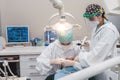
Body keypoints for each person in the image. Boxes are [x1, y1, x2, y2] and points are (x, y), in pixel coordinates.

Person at [54, 4, 120, 80]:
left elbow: (97, 56)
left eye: (91, 18)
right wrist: (89, 44)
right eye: (88, 18)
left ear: (100, 16)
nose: (90, 21)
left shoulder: (109, 31)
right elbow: (99, 43)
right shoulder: (98, 26)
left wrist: (78, 59)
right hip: (96, 68)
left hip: (105, 71)